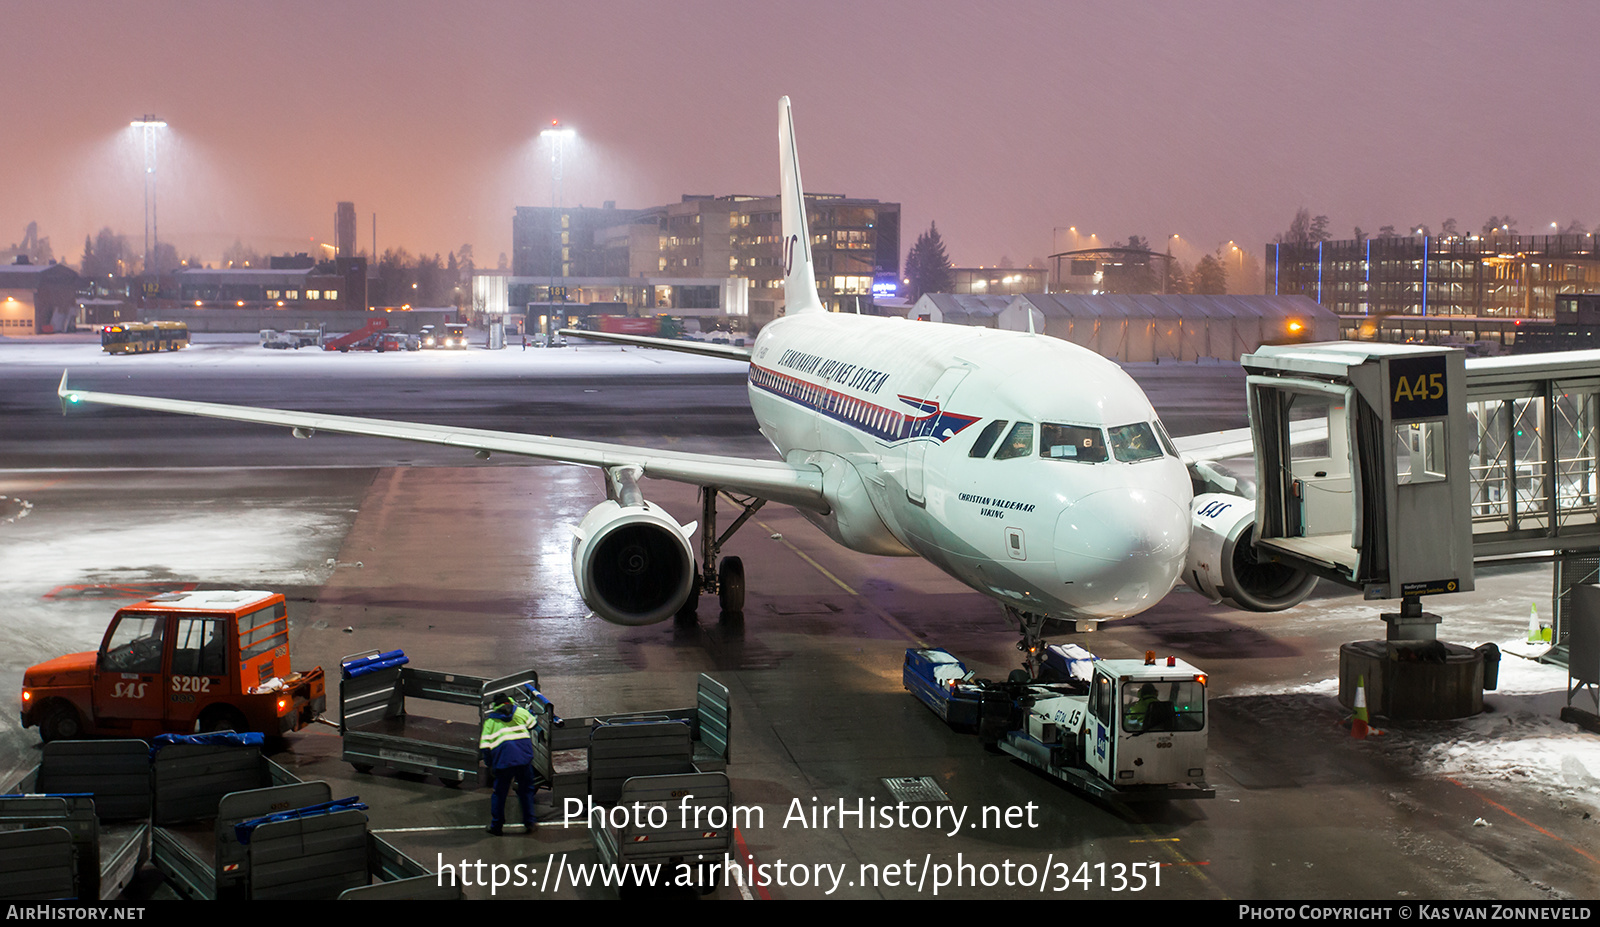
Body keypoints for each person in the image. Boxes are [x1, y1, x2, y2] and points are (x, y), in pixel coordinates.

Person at [479, 693, 538, 834]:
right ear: (509, 702)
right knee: (526, 791)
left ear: (495, 706)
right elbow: (533, 724)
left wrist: (490, 765)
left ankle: (497, 826)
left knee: (500, 794)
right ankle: (529, 822)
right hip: (523, 760)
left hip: (503, 763)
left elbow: (485, 748)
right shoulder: (520, 712)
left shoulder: (490, 722)